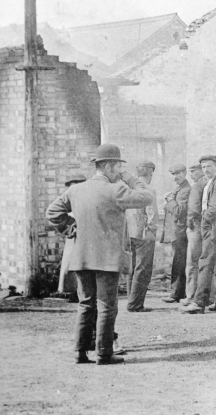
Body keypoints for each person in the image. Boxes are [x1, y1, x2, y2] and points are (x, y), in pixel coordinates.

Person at [46, 144, 153, 364]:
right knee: (107, 306)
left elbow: (52, 212)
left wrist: (69, 227)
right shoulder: (116, 190)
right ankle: (104, 353)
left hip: (81, 258)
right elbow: (146, 197)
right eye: (117, 166)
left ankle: (80, 352)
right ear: (109, 166)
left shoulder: (76, 190)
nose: (119, 171)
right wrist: (131, 178)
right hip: (107, 260)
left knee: (85, 304)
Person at [183, 155, 216, 314]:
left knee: (205, 262)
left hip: (214, 228)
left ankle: (199, 303)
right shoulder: (211, 182)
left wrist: (204, 224)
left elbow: (214, 208)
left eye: (209, 166)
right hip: (213, 228)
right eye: (203, 167)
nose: (206, 170)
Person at [125, 161, 159, 312]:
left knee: (132, 268)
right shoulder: (148, 189)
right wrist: (152, 231)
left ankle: (131, 299)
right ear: (150, 173)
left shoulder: (128, 188)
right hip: (144, 234)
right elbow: (152, 215)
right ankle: (135, 304)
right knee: (143, 269)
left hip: (130, 234)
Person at [161, 164, 191, 303]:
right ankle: (179, 293)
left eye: (178, 173)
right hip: (176, 231)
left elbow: (179, 211)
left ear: (185, 173)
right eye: (173, 174)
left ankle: (176, 294)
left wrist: (170, 201)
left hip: (180, 232)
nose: (175, 177)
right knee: (178, 263)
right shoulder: (179, 189)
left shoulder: (185, 190)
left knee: (178, 263)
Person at [181, 164, 207, 305]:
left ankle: (192, 295)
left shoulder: (200, 185)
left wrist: (191, 223)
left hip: (196, 227)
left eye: (193, 171)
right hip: (197, 226)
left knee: (192, 262)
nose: (191, 174)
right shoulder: (201, 184)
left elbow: (195, 209)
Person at [57, 174, 86, 295]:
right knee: (69, 262)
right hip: (73, 236)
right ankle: (71, 290)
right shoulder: (68, 201)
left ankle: (79, 291)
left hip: (85, 237)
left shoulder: (86, 199)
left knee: (81, 264)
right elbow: (60, 216)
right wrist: (67, 229)